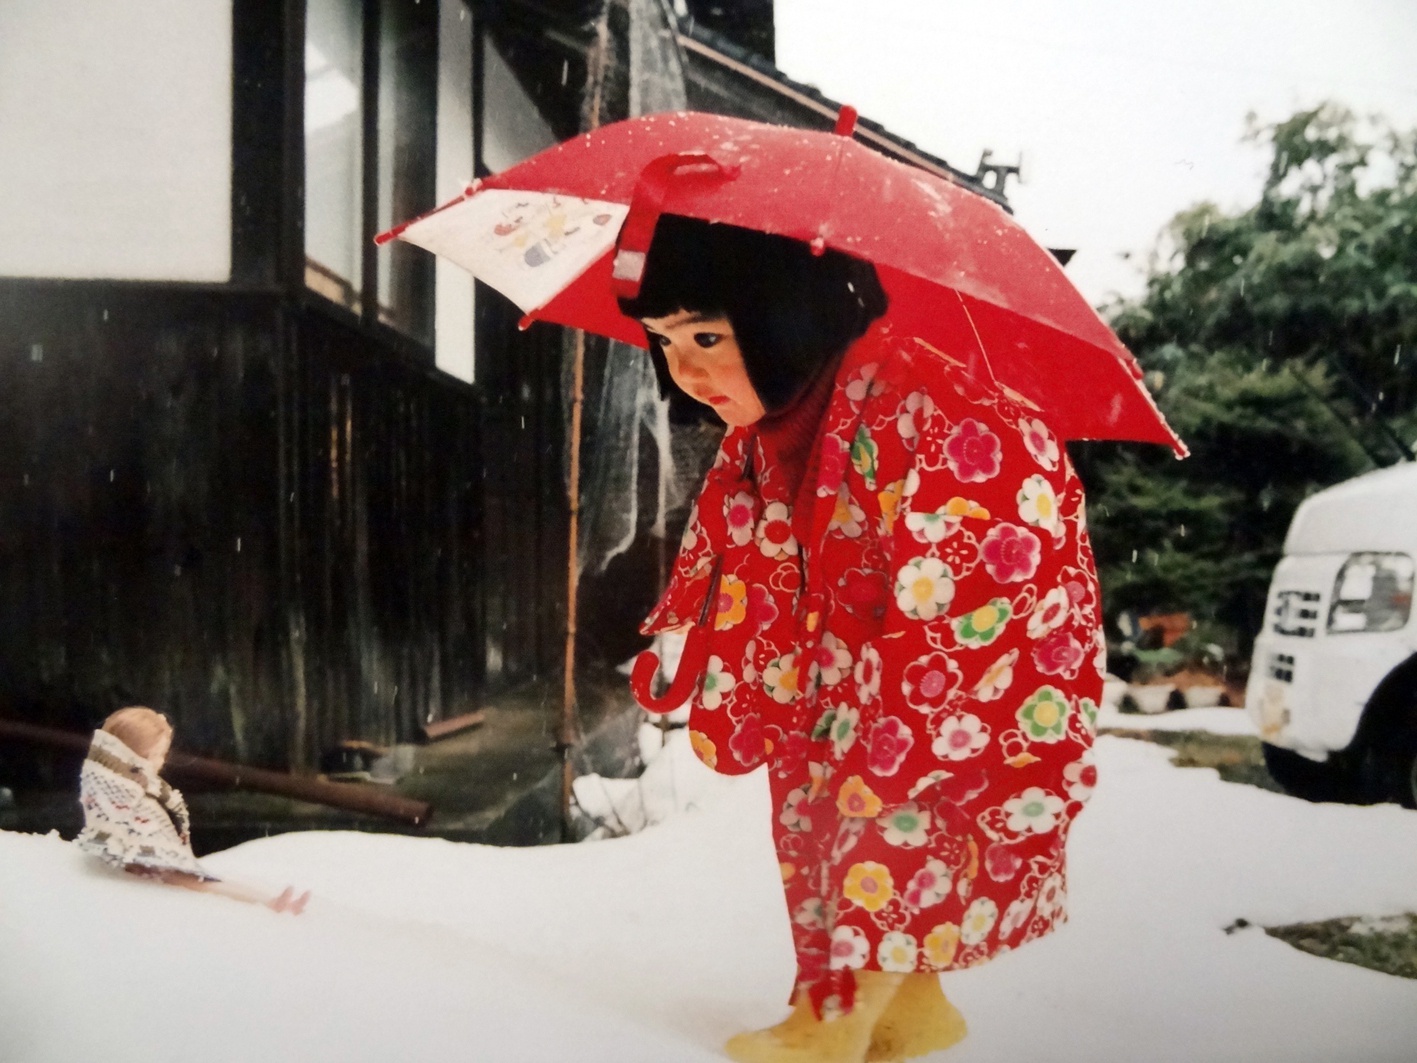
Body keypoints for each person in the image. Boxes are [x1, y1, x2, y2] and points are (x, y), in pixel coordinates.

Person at [620, 216, 1102, 1063]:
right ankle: (911, 1010)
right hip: (840, 667)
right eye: (664, 341)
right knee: (822, 821)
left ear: (788, 317)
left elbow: (982, 583)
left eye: (707, 335)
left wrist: (905, 706)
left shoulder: (942, 407)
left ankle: (834, 1017)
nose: (685, 371)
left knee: (892, 813)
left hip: (943, 674)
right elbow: (749, 547)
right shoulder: (778, 425)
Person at [76, 706, 308, 913]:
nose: (161, 762)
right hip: (150, 870)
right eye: (156, 755)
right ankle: (268, 904)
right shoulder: (119, 788)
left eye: (162, 755)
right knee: (200, 883)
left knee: (204, 881)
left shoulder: (126, 782)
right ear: (134, 755)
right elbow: (127, 833)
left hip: (152, 868)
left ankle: (268, 901)